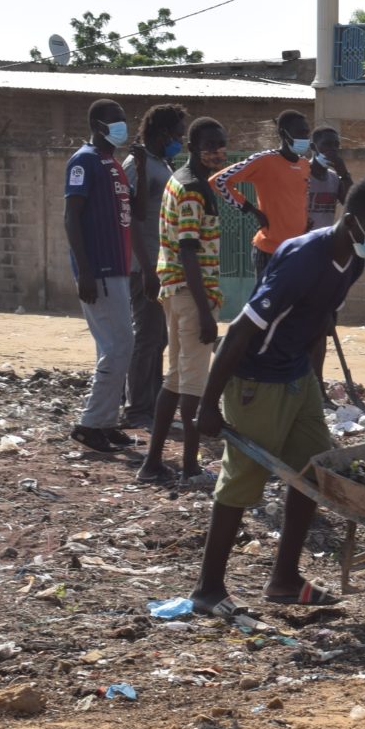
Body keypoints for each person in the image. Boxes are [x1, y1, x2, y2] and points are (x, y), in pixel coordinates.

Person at [190, 178, 365, 616]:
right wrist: (208, 403)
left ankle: (284, 579)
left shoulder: (354, 260)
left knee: (314, 472)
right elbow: (241, 331)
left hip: (296, 376)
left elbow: (319, 320)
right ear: (352, 221)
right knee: (242, 482)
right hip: (257, 379)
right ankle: (207, 588)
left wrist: (315, 384)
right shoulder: (305, 258)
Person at [138, 118, 227, 485]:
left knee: (175, 379)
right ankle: (189, 468)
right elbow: (189, 251)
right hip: (191, 295)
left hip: (177, 292)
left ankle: (153, 462)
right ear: (192, 145)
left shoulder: (184, 179)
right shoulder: (191, 188)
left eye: (221, 145)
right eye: (210, 145)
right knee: (193, 385)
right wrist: (206, 313)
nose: (217, 152)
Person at [64, 99, 138, 454]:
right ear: (97, 124)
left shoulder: (113, 164)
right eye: (115, 121)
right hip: (101, 270)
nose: (122, 125)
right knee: (120, 346)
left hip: (119, 267)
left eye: (124, 120)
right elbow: (71, 217)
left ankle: (106, 422)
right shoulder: (84, 161)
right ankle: (90, 424)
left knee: (112, 348)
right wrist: (85, 271)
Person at [123, 103, 188, 433]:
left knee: (158, 338)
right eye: (178, 134)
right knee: (147, 338)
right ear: (163, 133)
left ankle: (147, 404)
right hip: (144, 266)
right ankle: (136, 410)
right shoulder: (137, 165)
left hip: (160, 266)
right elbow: (131, 219)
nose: (181, 139)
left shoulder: (159, 162)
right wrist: (147, 270)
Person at [211, 109, 314, 278]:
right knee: (267, 303)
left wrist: (304, 219)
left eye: (307, 133)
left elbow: (298, 198)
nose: (305, 138)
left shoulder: (304, 164)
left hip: (297, 250)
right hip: (269, 251)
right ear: (283, 133)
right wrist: (251, 210)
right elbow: (219, 181)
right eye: (300, 133)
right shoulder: (264, 160)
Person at [305, 126, 353, 231]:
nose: (333, 149)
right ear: (313, 147)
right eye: (327, 144)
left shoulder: (335, 178)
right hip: (300, 239)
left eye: (336, 145)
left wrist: (344, 174)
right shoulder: (301, 174)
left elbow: (352, 204)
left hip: (323, 239)